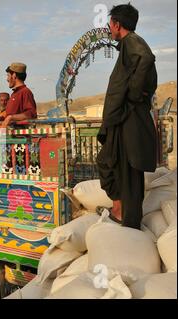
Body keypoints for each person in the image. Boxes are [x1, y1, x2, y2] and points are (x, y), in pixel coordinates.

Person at [96, 3, 157, 229]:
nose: (109, 28)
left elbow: (146, 58)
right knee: (110, 163)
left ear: (117, 24)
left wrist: (132, 94)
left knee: (126, 170)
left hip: (129, 119)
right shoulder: (128, 46)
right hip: (122, 119)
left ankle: (127, 219)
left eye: (110, 24)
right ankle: (120, 210)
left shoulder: (133, 42)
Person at [1, 62, 37, 127]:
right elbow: (11, 115)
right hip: (12, 135)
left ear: (14, 75)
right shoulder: (14, 94)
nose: (7, 79)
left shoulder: (25, 92)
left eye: (8, 76)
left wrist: (11, 117)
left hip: (20, 136)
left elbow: (31, 114)